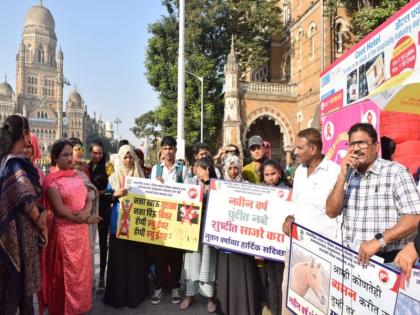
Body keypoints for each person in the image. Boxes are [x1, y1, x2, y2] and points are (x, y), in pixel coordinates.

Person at [326, 123, 420, 265]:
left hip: (387, 262)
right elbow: (331, 212)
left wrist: (379, 241)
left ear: (376, 146)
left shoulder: (395, 172)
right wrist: (341, 177)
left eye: (362, 143)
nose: (356, 149)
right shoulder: (349, 174)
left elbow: (413, 218)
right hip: (352, 259)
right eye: (352, 144)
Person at [282, 127, 340, 315]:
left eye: (299, 148)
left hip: (321, 253)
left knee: (316, 305)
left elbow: (336, 212)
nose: (295, 152)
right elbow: (296, 202)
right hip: (297, 247)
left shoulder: (335, 172)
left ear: (313, 149)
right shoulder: (299, 171)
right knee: (290, 299)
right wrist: (289, 218)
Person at [42, 139, 101, 314]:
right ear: (55, 158)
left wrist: (86, 213)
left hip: (81, 234)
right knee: (65, 276)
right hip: (63, 235)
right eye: (65, 155)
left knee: (81, 274)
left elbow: (88, 198)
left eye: (70, 154)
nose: (69, 158)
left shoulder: (77, 175)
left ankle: (81, 307)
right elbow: (60, 210)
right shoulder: (51, 180)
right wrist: (84, 218)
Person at [0, 114, 47, 315]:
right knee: (14, 294)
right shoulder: (13, 163)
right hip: (16, 238)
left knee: (22, 297)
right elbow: (25, 198)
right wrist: (40, 219)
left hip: (19, 236)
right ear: (25, 134)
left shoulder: (6, 161)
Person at [104, 144, 149, 308]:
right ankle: (118, 296)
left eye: (131, 157)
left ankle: (135, 295)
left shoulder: (140, 177)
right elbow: (107, 197)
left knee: (134, 258)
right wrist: (115, 193)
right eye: (125, 157)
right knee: (119, 259)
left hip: (136, 225)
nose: (128, 160)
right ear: (120, 159)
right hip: (118, 223)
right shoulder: (114, 177)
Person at [216, 155, 261, 315]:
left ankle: (244, 309)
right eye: (230, 168)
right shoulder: (220, 187)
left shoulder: (247, 186)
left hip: (243, 240)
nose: (234, 171)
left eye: (236, 168)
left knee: (244, 273)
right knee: (226, 273)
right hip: (226, 239)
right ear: (225, 169)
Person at [150, 136, 188, 304]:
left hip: (177, 220)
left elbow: (188, 192)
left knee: (175, 256)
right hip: (160, 218)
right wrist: (158, 185)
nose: (167, 151)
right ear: (161, 150)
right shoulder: (155, 169)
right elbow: (151, 192)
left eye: (170, 148)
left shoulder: (183, 169)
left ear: (175, 149)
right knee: (159, 255)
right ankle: (158, 288)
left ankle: (175, 287)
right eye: (165, 148)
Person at [180, 156, 218, 313]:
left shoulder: (217, 185)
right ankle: (189, 295)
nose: (197, 170)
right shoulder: (191, 183)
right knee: (192, 260)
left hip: (210, 229)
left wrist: (209, 184)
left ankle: (210, 298)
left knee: (208, 261)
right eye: (197, 167)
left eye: (200, 168)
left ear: (207, 170)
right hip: (192, 227)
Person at [259, 159, 291, 315]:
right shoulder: (261, 192)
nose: (270, 177)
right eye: (267, 175)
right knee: (271, 281)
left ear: (279, 173)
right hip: (267, 244)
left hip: (282, 245)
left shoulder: (287, 192)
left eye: (273, 173)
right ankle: (274, 311)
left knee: (281, 282)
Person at [87, 139, 113, 293]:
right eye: (94, 153)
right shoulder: (86, 167)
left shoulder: (108, 168)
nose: (97, 156)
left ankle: (102, 277)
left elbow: (111, 190)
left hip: (102, 209)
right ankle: (89, 278)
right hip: (87, 210)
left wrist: (97, 193)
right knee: (88, 246)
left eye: (100, 153)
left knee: (103, 244)